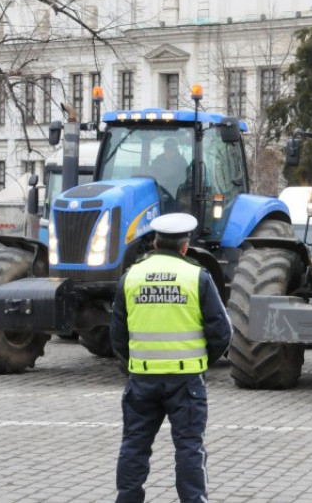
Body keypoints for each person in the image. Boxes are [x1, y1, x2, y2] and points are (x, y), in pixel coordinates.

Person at [110, 213, 232, 503]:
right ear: (185, 247)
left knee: (134, 447)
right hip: (186, 381)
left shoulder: (132, 276)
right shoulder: (196, 276)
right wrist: (201, 361)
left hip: (141, 379)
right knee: (189, 448)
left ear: (154, 242)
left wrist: (135, 363)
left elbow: (116, 334)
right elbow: (222, 332)